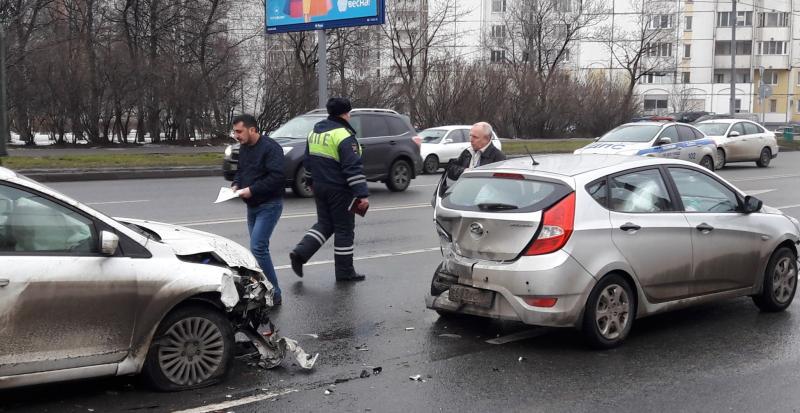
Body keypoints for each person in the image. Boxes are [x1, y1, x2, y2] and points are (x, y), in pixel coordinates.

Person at [289, 97, 369, 282]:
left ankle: (300, 254)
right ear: (346, 113)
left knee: (325, 224)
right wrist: (361, 194)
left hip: (319, 186)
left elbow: (308, 160)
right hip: (339, 190)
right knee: (344, 230)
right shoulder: (343, 135)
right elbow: (352, 167)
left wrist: (310, 181)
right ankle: (345, 272)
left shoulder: (316, 131)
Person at [231, 114, 286, 304]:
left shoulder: (271, 148)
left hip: (269, 204)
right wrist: (236, 184)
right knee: (257, 251)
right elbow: (241, 170)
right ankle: (262, 290)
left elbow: (277, 178)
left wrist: (251, 189)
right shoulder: (245, 148)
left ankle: (275, 293)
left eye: (239, 131)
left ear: (252, 129)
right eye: (235, 131)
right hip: (252, 206)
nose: (236, 135)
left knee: (258, 248)